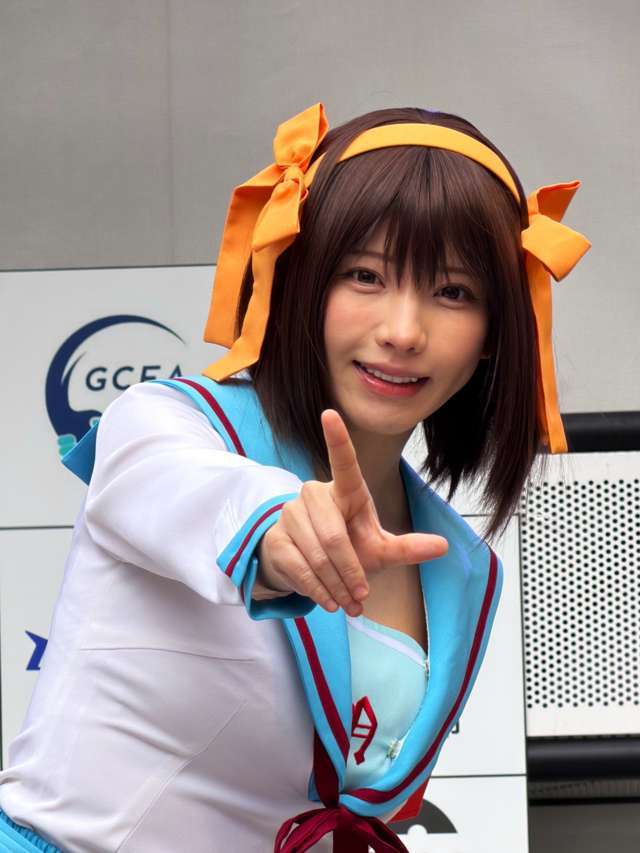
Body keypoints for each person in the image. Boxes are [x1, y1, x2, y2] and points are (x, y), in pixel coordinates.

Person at [0, 102, 590, 852]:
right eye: (365, 275)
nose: (403, 331)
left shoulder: (463, 569)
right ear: (300, 282)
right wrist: (278, 530)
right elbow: (191, 494)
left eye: (453, 292)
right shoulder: (163, 424)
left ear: (495, 331)